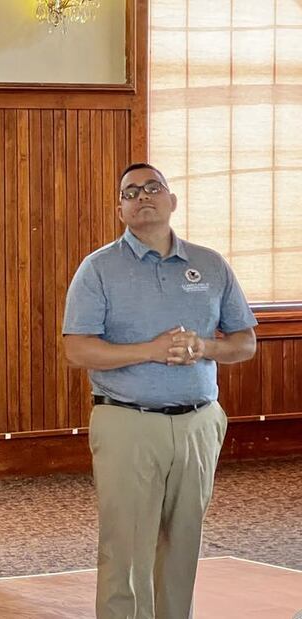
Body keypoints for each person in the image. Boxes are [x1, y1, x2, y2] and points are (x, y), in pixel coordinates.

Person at [62, 162, 257, 619]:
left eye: (154, 188)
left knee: (183, 542)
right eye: (131, 192)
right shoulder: (98, 269)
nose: (143, 196)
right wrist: (148, 350)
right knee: (125, 547)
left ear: (172, 201)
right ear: (120, 210)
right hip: (128, 422)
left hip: (199, 423)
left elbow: (245, 342)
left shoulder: (210, 264)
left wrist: (203, 346)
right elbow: (77, 350)